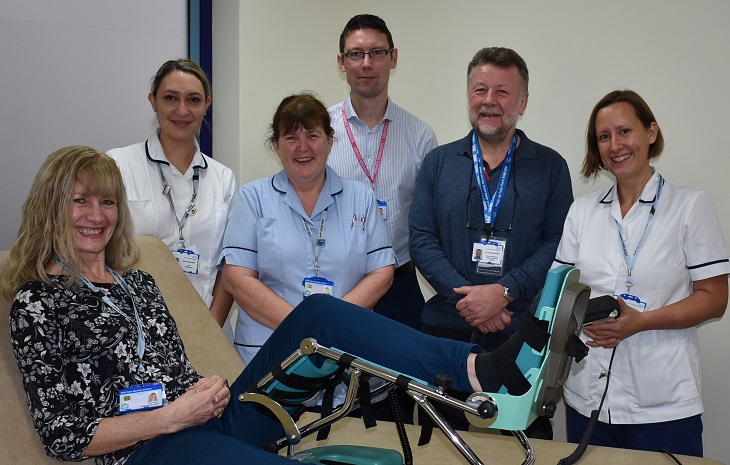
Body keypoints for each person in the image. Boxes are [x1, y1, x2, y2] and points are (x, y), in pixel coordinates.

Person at [2, 145, 546, 464]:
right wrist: (170, 417)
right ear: (53, 206)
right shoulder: (37, 305)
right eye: (80, 201)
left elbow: (168, 368)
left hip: (204, 418)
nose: (95, 215)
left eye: (106, 201)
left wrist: (199, 392)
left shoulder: (138, 284)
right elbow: (64, 435)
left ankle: (476, 369)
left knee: (317, 315)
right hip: (148, 451)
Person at [553, 90, 729, 456]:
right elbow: (560, 291)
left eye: (624, 131)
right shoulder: (582, 211)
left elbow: (715, 300)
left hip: (663, 404)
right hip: (588, 399)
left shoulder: (689, 206)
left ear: (651, 132)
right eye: (604, 137)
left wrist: (641, 321)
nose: (615, 145)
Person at [409, 47, 573, 436]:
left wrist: (505, 291)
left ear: (523, 101)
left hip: (522, 337)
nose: (489, 101)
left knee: (522, 447)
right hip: (446, 332)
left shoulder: (551, 167)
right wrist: (469, 300)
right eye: (480, 89)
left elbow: (558, 244)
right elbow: (421, 239)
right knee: (440, 448)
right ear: (468, 95)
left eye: (502, 92)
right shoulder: (438, 163)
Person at [219, 92, 395, 364]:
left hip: (342, 348)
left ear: (329, 141)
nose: (303, 147)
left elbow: (381, 272)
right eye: (291, 138)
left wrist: (333, 326)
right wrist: (305, 327)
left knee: (340, 406)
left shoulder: (362, 197)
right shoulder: (253, 197)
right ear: (276, 145)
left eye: (312, 136)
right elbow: (236, 278)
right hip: (267, 349)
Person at [107, 59, 236, 337]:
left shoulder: (223, 178)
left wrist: (208, 332)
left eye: (193, 100)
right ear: (153, 101)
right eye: (170, 98)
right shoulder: (118, 165)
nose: (182, 110)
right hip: (137, 331)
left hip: (208, 328)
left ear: (207, 105)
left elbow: (230, 267)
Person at [327, 14, 438, 330]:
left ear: (393, 58)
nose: (366, 63)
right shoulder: (318, 131)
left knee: (405, 378)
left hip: (399, 283)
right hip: (337, 282)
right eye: (356, 54)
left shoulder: (420, 136)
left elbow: (428, 223)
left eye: (376, 52)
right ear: (341, 61)